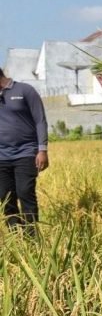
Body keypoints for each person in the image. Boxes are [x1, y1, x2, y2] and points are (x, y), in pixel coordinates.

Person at [0, 67, 49, 233]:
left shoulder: (24, 90)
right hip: (1, 156)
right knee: (5, 198)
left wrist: (42, 149)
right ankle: (16, 238)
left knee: (25, 192)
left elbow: (40, 120)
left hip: (26, 152)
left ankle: (32, 237)